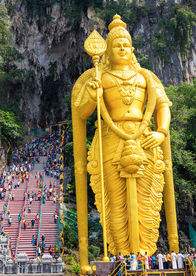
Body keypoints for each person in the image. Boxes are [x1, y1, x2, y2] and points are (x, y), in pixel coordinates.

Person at [72, 14, 173, 257]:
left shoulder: (146, 77)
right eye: (116, 45)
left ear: (132, 48)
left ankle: (146, 256)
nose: (122, 49)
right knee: (116, 204)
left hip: (144, 138)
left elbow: (163, 106)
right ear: (107, 50)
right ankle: (122, 256)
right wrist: (92, 93)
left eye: (126, 45)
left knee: (146, 202)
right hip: (110, 139)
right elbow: (82, 112)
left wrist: (161, 133)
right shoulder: (100, 77)